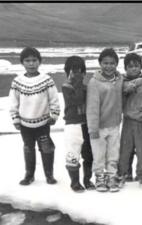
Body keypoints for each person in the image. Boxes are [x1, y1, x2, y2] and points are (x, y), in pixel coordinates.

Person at [9, 47, 60, 185]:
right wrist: (15, 118)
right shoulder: (17, 81)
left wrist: (54, 115)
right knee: (28, 148)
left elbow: (54, 99)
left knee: (46, 147)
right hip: (25, 124)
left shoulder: (46, 80)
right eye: (27, 61)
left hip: (43, 123)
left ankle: (49, 175)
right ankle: (29, 175)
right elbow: (14, 101)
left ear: (39, 62)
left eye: (34, 60)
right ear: (22, 63)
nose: (31, 64)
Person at [86, 48, 123, 193]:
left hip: (114, 125)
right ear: (100, 63)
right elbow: (92, 108)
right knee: (99, 154)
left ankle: (112, 176)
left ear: (116, 64)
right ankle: (100, 177)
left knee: (113, 153)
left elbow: (129, 85)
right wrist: (93, 129)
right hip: (99, 126)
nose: (109, 66)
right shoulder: (94, 82)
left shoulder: (119, 79)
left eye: (112, 63)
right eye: (105, 63)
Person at [62, 56, 95, 192]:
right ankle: (74, 182)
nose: (77, 74)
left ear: (84, 72)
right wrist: (77, 83)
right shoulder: (66, 87)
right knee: (73, 154)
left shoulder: (87, 88)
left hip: (86, 124)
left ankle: (87, 180)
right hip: (72, 125)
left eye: (80, 71)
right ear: (67, 72)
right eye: (73, 71)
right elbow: (76, 100)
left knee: (89, 155)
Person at [120, 53, 142, 182]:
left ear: (141, 67)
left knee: (141, 149)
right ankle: (125, 172)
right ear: (125, 68)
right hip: (128, 120)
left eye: (137, 66)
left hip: (141, 120)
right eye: (130, 66)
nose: (134, 69)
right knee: (126, 148)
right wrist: (128, 89)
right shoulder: (121, 82)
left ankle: (141, 173)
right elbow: (122, 94)